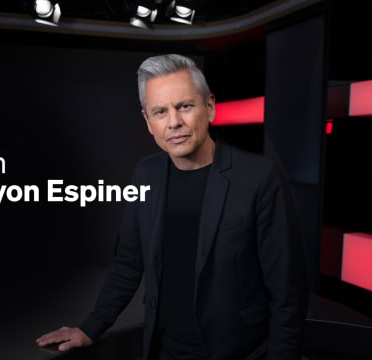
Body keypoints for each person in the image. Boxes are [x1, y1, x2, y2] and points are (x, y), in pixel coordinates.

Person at [36, 54, 308, 359]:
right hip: (164, 351)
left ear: (210, 107)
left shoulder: (259, 177)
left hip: (241, 352)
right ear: (148, 122)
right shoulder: (145, 174)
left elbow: (288, 292)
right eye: (160, 111)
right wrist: (92, 326)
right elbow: (129, 262)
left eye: (185, 106)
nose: (174, 122)